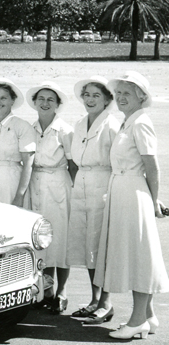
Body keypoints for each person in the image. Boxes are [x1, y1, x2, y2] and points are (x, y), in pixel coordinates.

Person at [95, 72, 169, 339]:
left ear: (142, 96)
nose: (121, 97)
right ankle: (148, 316)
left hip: (133, 194)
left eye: (128, 92)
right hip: (123, 190)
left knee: (139, 257)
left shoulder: (140, 123)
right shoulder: (130, 121)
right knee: (132, 253)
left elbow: (153, 167)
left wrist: (152, 200)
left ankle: (137, 320)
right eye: (119, 93)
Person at [67, 76, 120, 323]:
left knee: (102, 246)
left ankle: (106, 303)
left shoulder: (112, 124)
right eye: (86, 94)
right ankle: (94, 299)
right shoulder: (79, 124)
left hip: (104, 186)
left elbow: (120, 161)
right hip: (82, 186)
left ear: (108, 99)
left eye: (96, 95)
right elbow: (74, 161)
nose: (89, 99)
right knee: (88, 245)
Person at [26, 81, 75, 314]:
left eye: (50, 100)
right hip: (35, 183)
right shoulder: (30, 128)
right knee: (40, 239)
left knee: (59, 239)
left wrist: (74, 192)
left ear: (57, 104)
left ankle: (62, 292)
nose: (45, 103)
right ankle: (46, 291)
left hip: (58, 185)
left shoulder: (64, 130)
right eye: (41, 99)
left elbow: (73, 164)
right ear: (34, 103)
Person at [0, 78, 36, 207]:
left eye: (3, 98)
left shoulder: (22, 126)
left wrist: (20, 194)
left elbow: (28, 165)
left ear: (12, 100)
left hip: (10, 182)